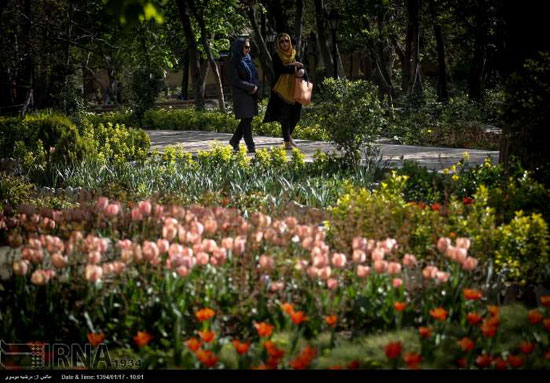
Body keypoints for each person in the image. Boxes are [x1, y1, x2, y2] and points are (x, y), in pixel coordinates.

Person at [263, 33, 307, 150]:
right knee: (285, 116)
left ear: (290, 42)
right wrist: (294, 66)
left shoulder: (295, 54)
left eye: (286, 41)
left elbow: (302, 66)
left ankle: (288, 136)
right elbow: (280, 69)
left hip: (296, 88)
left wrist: (301, 70)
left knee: (296, 116)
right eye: (281, 41)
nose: (284, 43)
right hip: (281, 90)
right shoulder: (276, 56)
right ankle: (287, 141)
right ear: (279, 43)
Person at [227, 37, 261, 154]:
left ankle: (234, 140)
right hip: (241, 93)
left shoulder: (248, 59)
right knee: (246, 119)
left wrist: (255, 85)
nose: (248, 49)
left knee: (247, 119)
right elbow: (235, 80)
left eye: (249, 47)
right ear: (239, 47)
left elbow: (255, 75)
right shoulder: (233, 60)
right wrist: (251, 87)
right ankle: (251, 146)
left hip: (251, 93)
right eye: (246, 47)